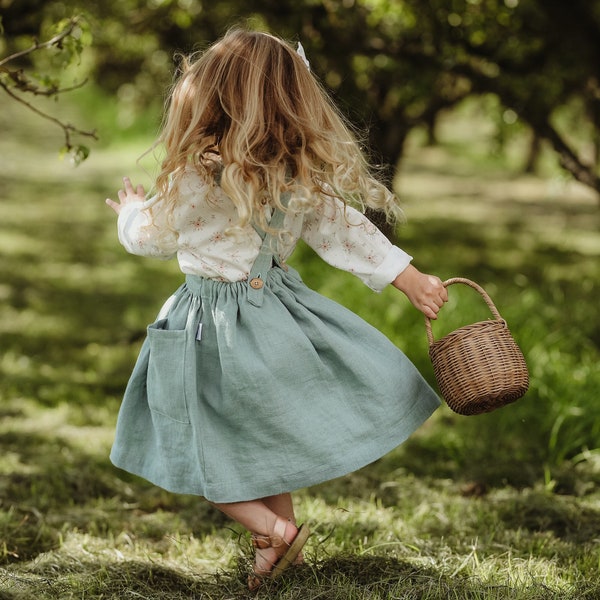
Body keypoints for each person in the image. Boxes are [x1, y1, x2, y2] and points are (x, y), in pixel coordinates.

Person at [105, 27, 448, 590]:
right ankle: (276, 548)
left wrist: (129, 210)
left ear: (208, 99)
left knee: (200, 444)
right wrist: (407, 279)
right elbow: (347, 232)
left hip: (209, 331)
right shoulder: (292, 175)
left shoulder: (199, 175)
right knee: (262, 445)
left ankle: (272, 529)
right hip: (276, 324)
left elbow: (148, 236)